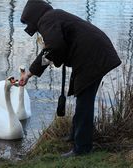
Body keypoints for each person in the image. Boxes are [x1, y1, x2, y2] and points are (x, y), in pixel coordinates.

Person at [19, 0, 121, 157]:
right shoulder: (53, 16)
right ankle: (75, 135)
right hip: (94, 55)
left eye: (29, 23)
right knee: (81, 96)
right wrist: (31, 73)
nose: (32, 28)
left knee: (84, 103)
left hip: (94, 58)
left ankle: (82, 148)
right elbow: (55, 48)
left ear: (33, 16)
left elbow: (54, 47)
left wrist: (31, 71)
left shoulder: (48, 19)